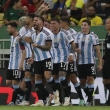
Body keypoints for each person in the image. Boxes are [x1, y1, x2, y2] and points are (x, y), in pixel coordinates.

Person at [27, 15, 59, 106]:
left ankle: (56, 92)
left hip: (47, 58)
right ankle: (41, 100)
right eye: (33, 20)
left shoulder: (48, 33)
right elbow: (34, 48)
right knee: (37, 79)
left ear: (41, 22)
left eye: (36, 20)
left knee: (47, 76)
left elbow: (48, 47)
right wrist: (32, 57)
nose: (34, 22)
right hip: (37, 59)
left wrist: (38, 46)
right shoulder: (33, 34)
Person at [75, 20, 102, 106]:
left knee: (90, 79)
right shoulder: (77, 35)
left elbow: (98, 50)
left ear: (89, 26)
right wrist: (76, 50)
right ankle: (90, 94)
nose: (83, 26)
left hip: (90, 61)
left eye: (85, 25)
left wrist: (100, 63)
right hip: (80, 62)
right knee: (82, 82)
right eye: (82, 25)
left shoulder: (93, 36)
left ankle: (89, 100)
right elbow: (74, 48)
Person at [60, 17, 85, 106]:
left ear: (65, 23)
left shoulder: (72, 32)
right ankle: (68, 100)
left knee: (73, 78)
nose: (59, 24)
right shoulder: (60, 32)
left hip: (71, 59)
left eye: (60, 22)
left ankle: (81, 99)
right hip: (63, 59)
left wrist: (74, 55)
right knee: (65, 79)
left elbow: (75, 45)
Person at [50, 17, 74, 106]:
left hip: (63, 59)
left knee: (62, 77)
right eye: (51, 24)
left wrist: (71, 54)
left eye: (54, 23)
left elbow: (73, 43)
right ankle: (58, 101)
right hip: (54, 59)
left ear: (59, 24)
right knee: (55, 80)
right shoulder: (49, 34)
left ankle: (67, 98)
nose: (52, 25)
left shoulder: (65, 33)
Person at [6, 22, 25, 105]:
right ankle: (22, 93)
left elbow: (24, 51)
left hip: (17, 64)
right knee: (8, 82)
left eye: (8, 28)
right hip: (11, 64)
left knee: (15, 83)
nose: (7, 30)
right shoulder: (11, 37)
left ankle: (13, 101)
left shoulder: (20, 38)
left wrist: (21, 63)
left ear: (13, 29)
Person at [102, 17, 110, 106]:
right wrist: (103, 59)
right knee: (105, 81)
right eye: (106, 22)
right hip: (107, 60)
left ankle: (108, 102)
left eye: (108, 23)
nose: (106, 24)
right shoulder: (107, 35)